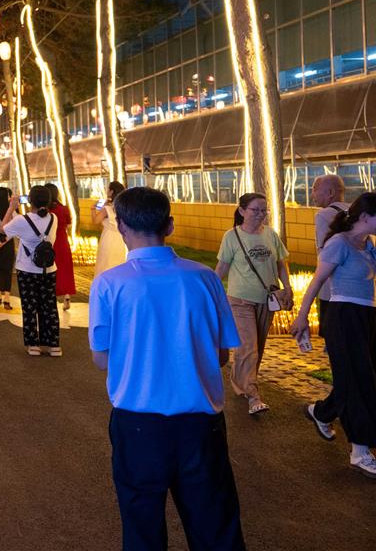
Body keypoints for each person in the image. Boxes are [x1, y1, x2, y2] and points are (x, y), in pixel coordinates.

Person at [88, 186, 245, 551]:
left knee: (142, 529)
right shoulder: (204, 278)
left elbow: (101, 358)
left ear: (121, 226)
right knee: (215, 528)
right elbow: (221, 355)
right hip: (200, 425)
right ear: (169, 225)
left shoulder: (109, 283)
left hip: (137, 424)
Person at [291, 193, 376, 481]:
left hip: (366, 317)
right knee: (358, 383)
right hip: (344, 317)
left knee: (363, 379)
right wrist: (302, 317)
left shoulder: (366, 244)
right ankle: (360, 452)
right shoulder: (339, 243)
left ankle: (321, 412)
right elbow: (317, 282)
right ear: (365, 216)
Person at [214, 192, 292, 415]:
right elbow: (222, 268)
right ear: (242, 211)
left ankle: (241, 382)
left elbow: (280, 263)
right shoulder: (232, 236)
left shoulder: (271, 235)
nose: (260, 214)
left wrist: (287, 287)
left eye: (263, 210)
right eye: (254, 210)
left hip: (267, 300)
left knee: (257, 346)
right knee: (248, 347)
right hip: (240, 300)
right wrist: (210, 290)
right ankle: (252, 395)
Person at [0, 186, 61, 356]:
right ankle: (54, 346)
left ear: (30, 201)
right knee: (49, 307)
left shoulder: (21, 220)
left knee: (30, 307)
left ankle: (33, 345)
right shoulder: (53, 218)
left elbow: (2, 229)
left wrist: (11, 207)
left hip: (26, 270)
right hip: (49, 269)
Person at [42, 183, 78, 311]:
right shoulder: (63, 208)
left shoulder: (45, 211)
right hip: (63, 242)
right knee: (65, 269)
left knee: (51, 269)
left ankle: (51, 295)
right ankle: (67, 296)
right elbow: (68, 224)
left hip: (50, 242)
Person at [92, 181, 128, 278]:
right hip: (120, 239)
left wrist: (93, 208)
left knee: (105, 263)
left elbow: (95, 220)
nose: (107, 191)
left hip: (108, 238)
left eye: (108, 189)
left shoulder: (107, 208)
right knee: (118, 263)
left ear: (112, 192)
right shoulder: (124, 208)